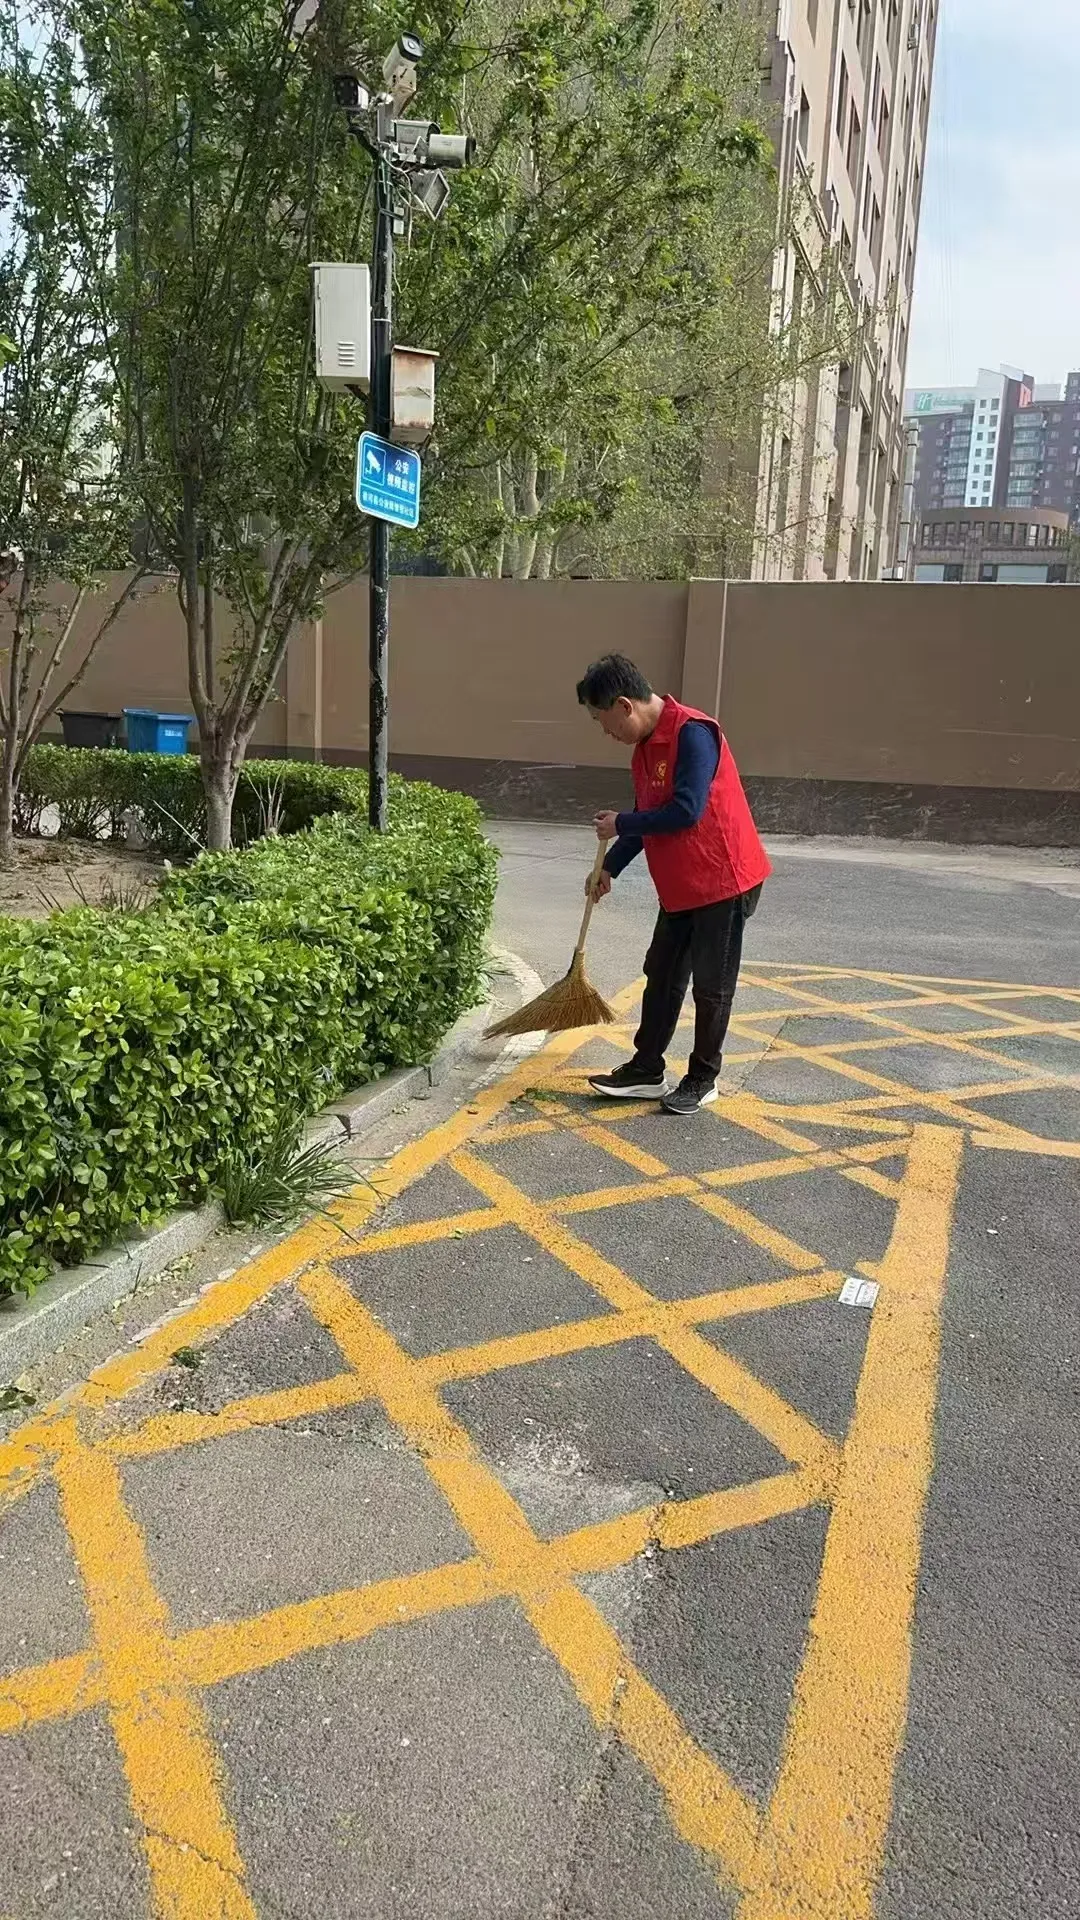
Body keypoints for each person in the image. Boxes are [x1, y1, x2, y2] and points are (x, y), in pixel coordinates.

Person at [576, 653, 771, 1116]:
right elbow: (647, 818)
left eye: (603, 721)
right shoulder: (644, 749)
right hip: (682, 885)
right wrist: (610, 867)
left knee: (712, 985)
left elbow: (685, 810)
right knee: (662, 973)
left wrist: (621, 823)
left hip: (724, 880)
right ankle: (646, 1069)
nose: (606, 733)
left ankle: (703, 1078)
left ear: (624, 705)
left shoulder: (693, 733)